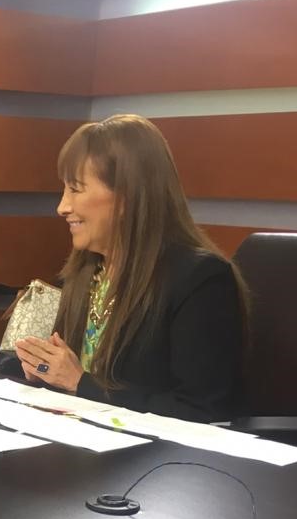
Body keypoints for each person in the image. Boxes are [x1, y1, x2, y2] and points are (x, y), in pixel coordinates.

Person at [13, 114, 246, 422]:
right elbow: (62, 374)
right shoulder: (84, 271)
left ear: (126, 196)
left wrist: (80, 383)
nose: (62, 207)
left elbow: (201, 410)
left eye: (76, 189)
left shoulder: (200, 279)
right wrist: (39, 368)